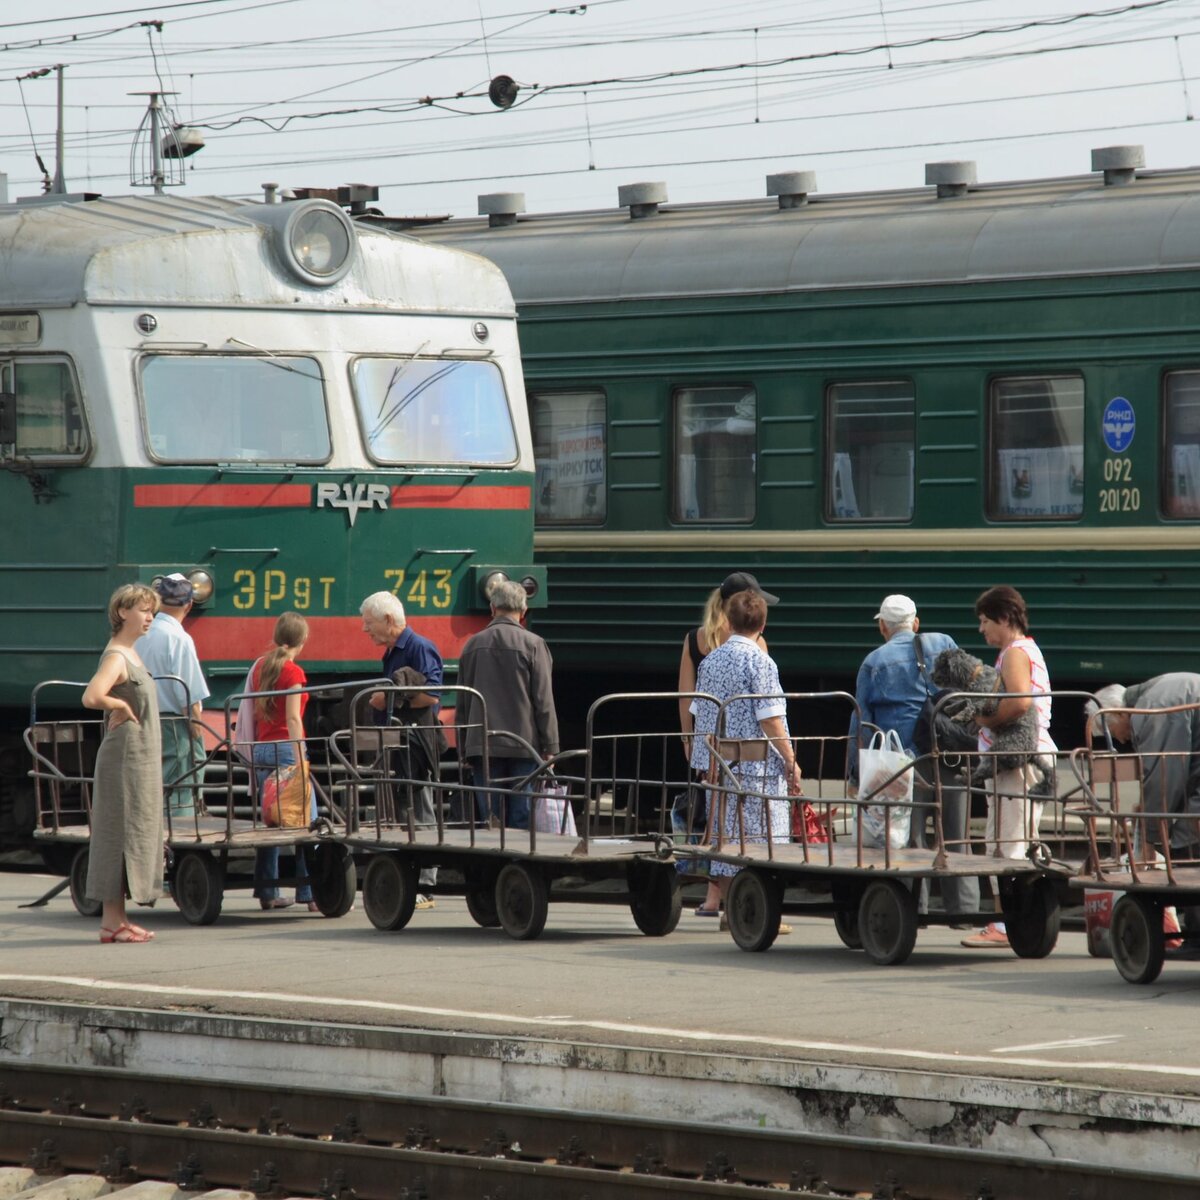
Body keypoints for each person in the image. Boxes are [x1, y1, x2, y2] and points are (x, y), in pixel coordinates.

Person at [847, 594, 978, 927]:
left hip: (902, 760)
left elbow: (860, 721)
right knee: (957, 834)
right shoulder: (944, 642)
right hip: (950, 752)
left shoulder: (874, 661)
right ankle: (963, 912)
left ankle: (912, 911)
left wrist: (854, 773)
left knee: (909, 838)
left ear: (882, 627)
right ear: (916, 622)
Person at [689, 590, 801, 930]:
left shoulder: (710, 661)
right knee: (762, 841)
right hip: (756, 769)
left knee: (726, 837)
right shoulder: (760, 662)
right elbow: (770, 718)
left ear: (729, 621)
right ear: (763, 624)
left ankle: (734, 911)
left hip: (719, 767)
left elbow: (700, 712)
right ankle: (758, 914)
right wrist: (791, 759)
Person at [961, 585, 1056, 949]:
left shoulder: (1015, 653)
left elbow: (1018, 702)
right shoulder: (1024, 650)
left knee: (1008, 843)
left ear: (1003, 618)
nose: (982, 629)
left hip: (1018, 762)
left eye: (985, 621)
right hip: (1026, 758)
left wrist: (985, 719)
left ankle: (1004, 927)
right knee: (1011, 839)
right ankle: (1010, 923)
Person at [677, 571, 775, 918]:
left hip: (710, 745)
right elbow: (763, 702)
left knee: (717, 820)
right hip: (745, 751)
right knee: (744, 826)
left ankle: (714, 899)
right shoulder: (755, 646)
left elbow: (687, 696)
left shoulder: (696, 639)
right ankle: (737, 904)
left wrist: (689, 740)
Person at [1087, 675, 1200, 953]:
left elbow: (1164, 775)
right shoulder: (1157, 693)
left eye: (1115, 732)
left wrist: (1150, 833)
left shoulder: (1151, 708)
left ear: (1118, 713)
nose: (1122, 740)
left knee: (1186, 842)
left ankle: (1197, 935)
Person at [81, 582, 165, 944]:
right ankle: (110, 922)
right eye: (144, 610)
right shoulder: (116, 656)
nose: (150, 617)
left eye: (152, 611)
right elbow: (91, 695)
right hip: (124, 758)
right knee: (119, 832)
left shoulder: (131, 654)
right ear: (122, 613)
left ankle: (118, 919)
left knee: (133, 830)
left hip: (138, 756)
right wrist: (119, 705)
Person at [361, 591, 442, 907]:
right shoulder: (392, 651)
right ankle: (409, 874)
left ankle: (426, 882)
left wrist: (389, 698)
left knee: (420, 804)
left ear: (388, 620)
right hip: (397, 738)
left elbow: (434, 694)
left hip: (417, 739)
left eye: (369, 624)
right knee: (403, 805)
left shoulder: (420, 647)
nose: (365, 630)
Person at [457, 579, 560, 829]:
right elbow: (543, 701)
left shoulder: (472, 645)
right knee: (521, 818)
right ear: (523, 611)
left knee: (490, 818)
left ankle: (492, 865)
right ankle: (517, 866)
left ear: (492, 608)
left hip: (482, 745)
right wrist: (551, 747)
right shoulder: (534, 645)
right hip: (524, 745)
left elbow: (462, 701)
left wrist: (463, 746)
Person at [248, 612, 316, 911]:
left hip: (262, 748)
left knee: (273, 822)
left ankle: (268, 891)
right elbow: (292, 717)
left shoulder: (261, 667)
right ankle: (312, 895)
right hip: (286, 750)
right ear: (302, 640)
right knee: (308, 824)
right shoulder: (294, 673)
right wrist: (300, 751)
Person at [136, 572, 210, 821]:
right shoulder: (179, 638)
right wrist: (196, 727)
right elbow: (188, 693)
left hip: (142, 719)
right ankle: (177, 837)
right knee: (181, 788)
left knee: (149, 784)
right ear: (189, 605)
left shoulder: (140, 634)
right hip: (174, 725)